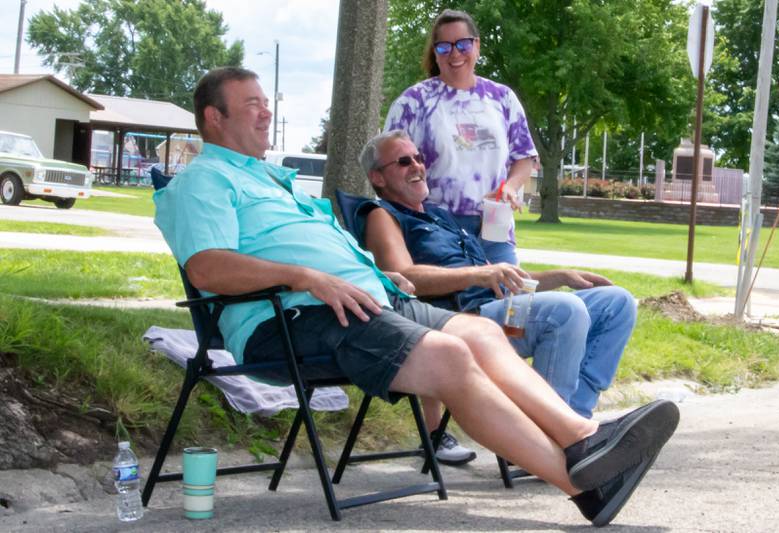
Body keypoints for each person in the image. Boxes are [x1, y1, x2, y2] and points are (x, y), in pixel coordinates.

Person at [153, 67, 679, 527]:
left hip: (365, 299)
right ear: (213, 118)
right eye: (252, 106)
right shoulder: (205, 180)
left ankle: (584, 437)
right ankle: (584, 485)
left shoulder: (275, 181)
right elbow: (208, 266)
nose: (267, 114)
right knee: (450, 356)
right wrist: (305, 277)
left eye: (267, 104)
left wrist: (380, 278)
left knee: (479, 330)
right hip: (291, 318)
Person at [355, 130, 637, 466]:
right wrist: (478, 275)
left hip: (503, 316)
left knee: (616, 302)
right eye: (403, 161)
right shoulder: (382, 216)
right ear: (377, 176)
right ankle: (551, 441)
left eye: (418, 158)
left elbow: (502, 276)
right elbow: (404, 279)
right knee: (564, 312)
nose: (417, 166)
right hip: (462, 324)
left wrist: (560, 276)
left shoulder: (440, 217)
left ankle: (578, 420)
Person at [384, 8, 536, 266]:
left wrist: (509, 188)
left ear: (476, 45)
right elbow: (388, 165)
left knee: (509, 299)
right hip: (438, 226)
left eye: (462, 44)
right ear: (435, 52)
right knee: (460, 301)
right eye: (444, 47)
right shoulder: (414, 103)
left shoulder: (502, 98)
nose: (455, 53)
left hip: (495, 225)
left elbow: (524, 157)